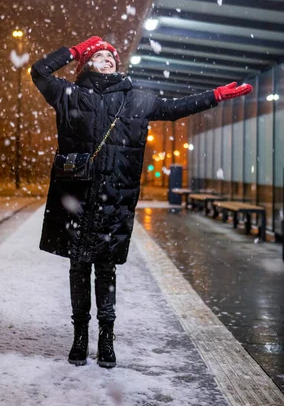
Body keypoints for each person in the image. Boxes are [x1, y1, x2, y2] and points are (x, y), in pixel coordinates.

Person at [30, 36, 252, 368]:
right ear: (85, 64)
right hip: (77, 198)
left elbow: (176, 108)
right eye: (99, 55)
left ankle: (106, 338)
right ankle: (80, 336)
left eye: (111, 56)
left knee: (104, 269)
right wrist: (74, 49)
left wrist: (214, 96)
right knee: (78, 268)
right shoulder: (69, 94)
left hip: (115, 200)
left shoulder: (136, 99)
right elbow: (39, 71)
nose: (107, 59)